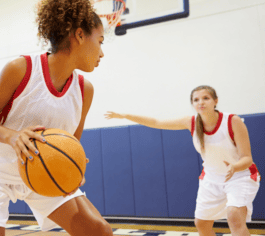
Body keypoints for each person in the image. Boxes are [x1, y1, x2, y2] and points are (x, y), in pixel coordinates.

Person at [0, 0, 112, 235]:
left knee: (99, 231)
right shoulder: (21, 69)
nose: (102, 53)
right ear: (79, 35)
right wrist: (13, 136)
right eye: (100, 41)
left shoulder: (85, 90)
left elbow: (71, 141)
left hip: (42, 172)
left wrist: (72, 165)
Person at [105, 85, 261, 236]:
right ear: (192, 104)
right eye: (196, 99)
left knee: (234, 217)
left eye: (206, 98)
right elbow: (156, 122)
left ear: (215, 101)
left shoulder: (232, 121)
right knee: (201, 224)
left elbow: (247, 158)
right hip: (212, 180)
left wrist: (235, 166)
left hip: (240, 177)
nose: (201, 102)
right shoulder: (191, 122)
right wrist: (125, 115)